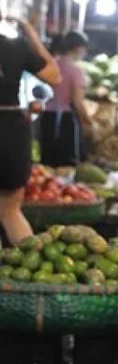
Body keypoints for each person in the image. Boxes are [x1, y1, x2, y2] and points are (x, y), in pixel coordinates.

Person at [0, 16, 61, 245]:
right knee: (10, 211)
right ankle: (27, 270)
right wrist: (32, 35)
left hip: (12, 125)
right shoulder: (16, 47)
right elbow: (54, 76)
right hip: (11, 130)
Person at [39, 31, 93, 172]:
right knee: (65, 165)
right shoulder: (76, 71)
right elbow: (76, 102)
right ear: (79, 48)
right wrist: (88, 121)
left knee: (47, 164)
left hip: (46, 118)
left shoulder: (51, 65)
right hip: (66, 121)